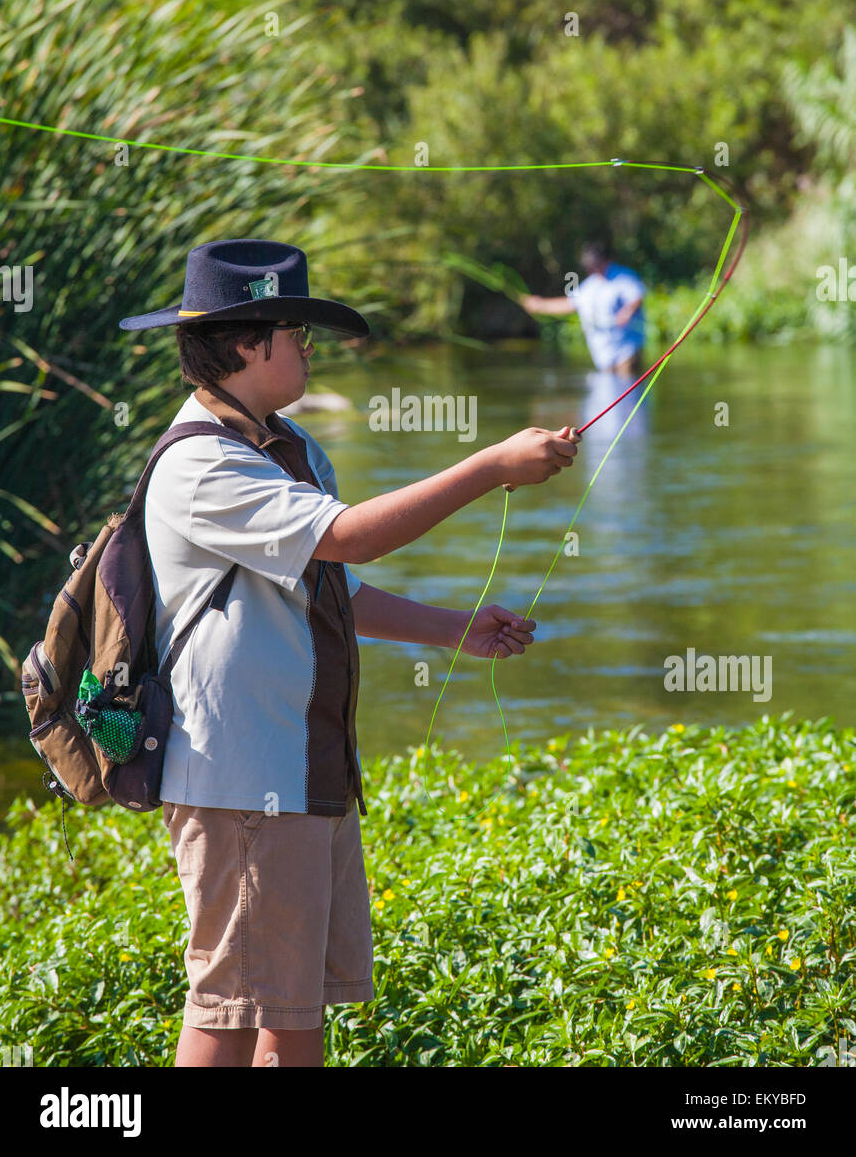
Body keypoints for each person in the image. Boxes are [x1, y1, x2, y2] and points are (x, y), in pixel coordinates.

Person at [119, 238, 580, 1069]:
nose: (307, 347)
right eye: (298, 331)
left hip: (306, 771)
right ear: (248, 342)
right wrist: (490, 466)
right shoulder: (200, 464)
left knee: (293, 1009)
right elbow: (350, 538)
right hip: (240, 778)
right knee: (228, 1004)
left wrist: (455, 629)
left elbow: (331, 590)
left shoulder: (288, 446)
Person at [520, 236, 645, 377]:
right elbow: (569, 304)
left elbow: (637, 296)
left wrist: (627, 311)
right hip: (603, 355)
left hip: (626, 351)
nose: (592, 268)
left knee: (627, 388)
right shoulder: (589, 286)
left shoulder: (624, 277)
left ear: (605, 260)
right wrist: (540, 305)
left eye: (595, 263)